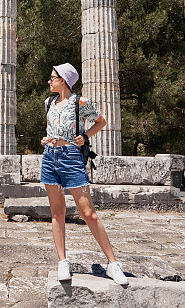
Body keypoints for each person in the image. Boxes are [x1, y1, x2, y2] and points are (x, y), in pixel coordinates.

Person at [41, 63, 129, 285]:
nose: (49, 81)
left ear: (63, 80)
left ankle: (113, 264)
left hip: (71, 158)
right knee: (57, 212)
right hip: (49, 157)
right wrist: (46, 140)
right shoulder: (48, 102)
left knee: (88, 213)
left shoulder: (80, 102)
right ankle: (63, 261)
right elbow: (53, 129)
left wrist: (86, 136)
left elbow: (101, 121)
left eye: (52, 78)